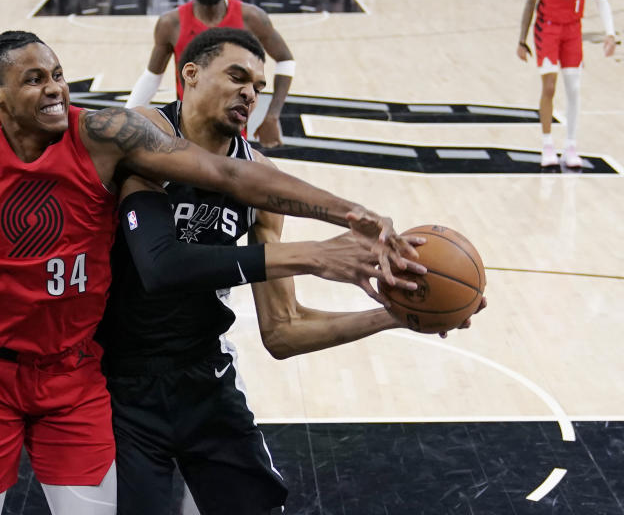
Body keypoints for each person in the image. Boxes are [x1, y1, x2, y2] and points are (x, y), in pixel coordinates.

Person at [0, 30, 421, 513]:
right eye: (35, 78)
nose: (54, 88)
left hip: (81, 376)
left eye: (58, 74)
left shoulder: (102, 136)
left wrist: (351, 213)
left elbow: (235, 179)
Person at [101, 27, 486, 514]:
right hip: (114, 381)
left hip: (203, 376)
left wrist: (400, 313)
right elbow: (163, 266)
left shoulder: (260, 177)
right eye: (238, 76)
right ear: (190, 75)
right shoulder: (142, 131)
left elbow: (283, 331)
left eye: (259, 87)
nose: (249, 93)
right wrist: (318, 252)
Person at [126, 0, 295, 148]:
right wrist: (127, 119)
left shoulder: (252, 18)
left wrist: (272, 116)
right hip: (187, 132)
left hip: (233, 132)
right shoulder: (171, 24)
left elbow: (285, 59)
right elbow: (152, 77)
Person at [517, 0, 615, 168]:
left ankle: (571, 146)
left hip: (573, 31)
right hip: (547, 30)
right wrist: (522, 39)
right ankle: (547, 144)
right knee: (549, 87)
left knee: (574, 89)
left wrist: (610, 33)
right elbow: (530, 2)